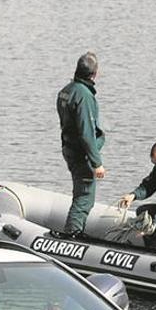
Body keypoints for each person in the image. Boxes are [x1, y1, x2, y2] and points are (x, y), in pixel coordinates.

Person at [56, 51, 105, 236]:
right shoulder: (83, 96)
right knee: (85, 197)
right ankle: (72, 234)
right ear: (94, 74)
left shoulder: (65, 91)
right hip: (81, 153)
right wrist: (97, 163)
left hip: (69, 148)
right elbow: (86, 133)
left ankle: (74, 230)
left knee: (80, 193)